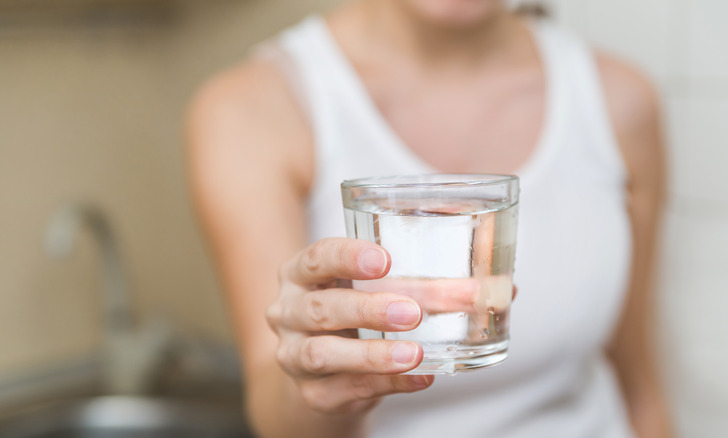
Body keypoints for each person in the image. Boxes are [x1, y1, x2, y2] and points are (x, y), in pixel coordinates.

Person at [186, 0, 673, 437]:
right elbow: (280, 420)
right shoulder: (251, 108)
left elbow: (640, 388)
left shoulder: (618, 100)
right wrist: (321, 377)